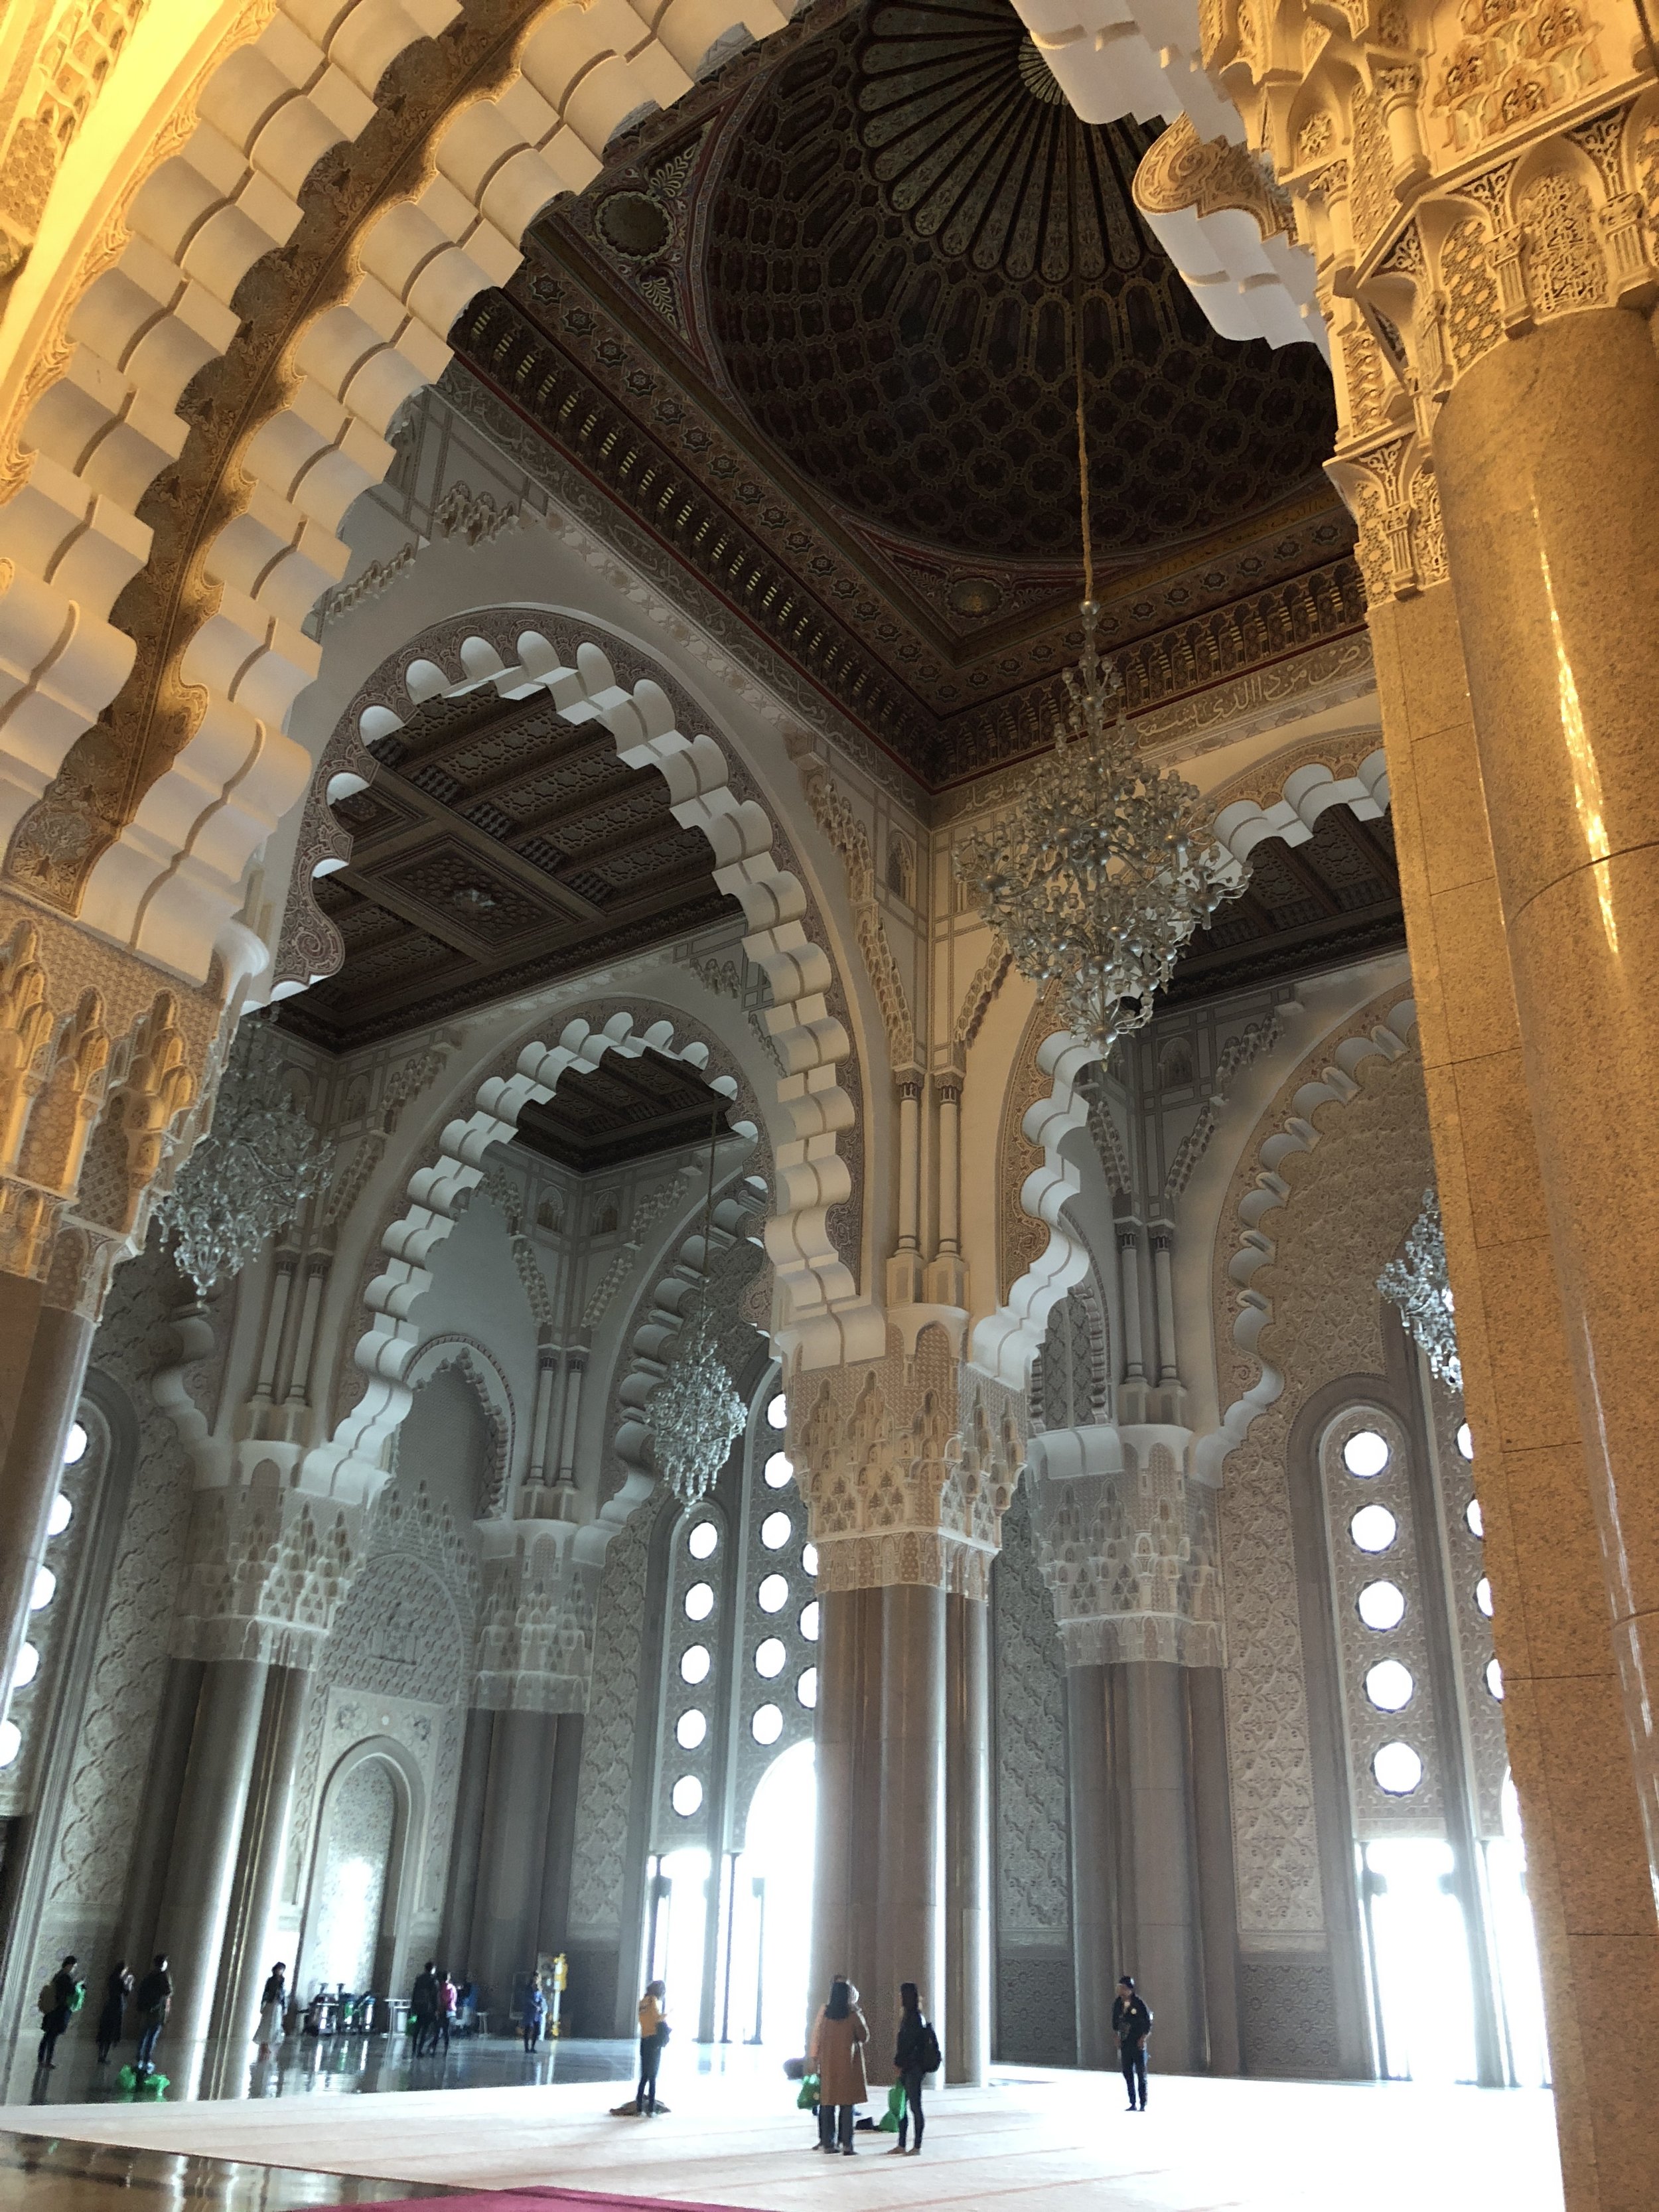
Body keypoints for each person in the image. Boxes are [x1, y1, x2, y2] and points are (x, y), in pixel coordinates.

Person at [814, 1976, 869, 2155]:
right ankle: (847, 2144)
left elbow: (819, 2039)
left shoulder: (826, 2016)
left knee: (828, 2105)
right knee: (847, 2106)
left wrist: (816, 2061)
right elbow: (864, 2036)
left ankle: (828, 2143)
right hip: (848, 2067)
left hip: (829, 2067)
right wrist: (858, 2012)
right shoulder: (852, 2015)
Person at [890, 1982, 939, 2156]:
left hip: (913, 2069)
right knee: (904, 2106)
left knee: (915, 2107)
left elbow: (908, 2046)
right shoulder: (910, 2017)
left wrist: (899, 2062)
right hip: (908, 2068)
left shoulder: (915, 2018)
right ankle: (901, 2144)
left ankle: (917, 2146)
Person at [1113, 1974, 1153, 2111]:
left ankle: (1143, 2102)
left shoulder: (1139, 2003)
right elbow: (1115, 2023)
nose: (1120, 1991)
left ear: (1129, 1989)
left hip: (1137, 2042)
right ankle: (1132, 2101)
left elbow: (1148, 2022)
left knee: (1141, 2073)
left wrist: (1143, 2038)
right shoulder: (1118, 2004)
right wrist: (1117, 2037)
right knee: (1127, 2072)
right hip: (1125, 2042)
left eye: (1123, 1988)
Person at [36, 1954, 84, 2069]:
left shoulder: (59, 1975)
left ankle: (43, 2059)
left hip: (54, 2010)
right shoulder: (65, 1977)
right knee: (51, 2036)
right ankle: (46, 2060)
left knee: (49, 2035)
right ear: (69, 1965)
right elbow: (70, 1991)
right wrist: (78, 1983)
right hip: (58, 2011)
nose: (74, 1969)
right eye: (74, 1967)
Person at [636, 1979, 668, 2116]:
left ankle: (639, 2106)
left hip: (644, 2039)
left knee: (644, 2075)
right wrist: (667, 2014)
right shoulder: (653, 2001)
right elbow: (657, 2018)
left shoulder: (642, 2002)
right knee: (653, 2075)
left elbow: (642, 2019)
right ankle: (651, 2108)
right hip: (654, 2041)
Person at [134, 1955, 171, 2075]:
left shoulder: (149, 1976)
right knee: (151, 2037)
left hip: (147, 2010)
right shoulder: (163, 1977)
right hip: (157, 2011)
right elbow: (167, 1992)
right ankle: (146, 2060)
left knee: (144, 2035)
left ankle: (139, 2059)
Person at [96, 1960, 133, 2065]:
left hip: (109, 2006)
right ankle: (104, 2056)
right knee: (111, 2033)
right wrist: (129, 1983)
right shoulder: (120, 1980)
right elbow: (126, 1993)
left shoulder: (112, 1978)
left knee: (104, 2031)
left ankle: (100, 2055)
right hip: (117, 2008)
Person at [410, 1960, 439, 2057]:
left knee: (417, 2029)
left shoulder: (419, 1979)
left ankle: (413, 2048)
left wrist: (413, 2005)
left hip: (419, 2007)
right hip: (428, 2009)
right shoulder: (433, 1980)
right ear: (433, 1969)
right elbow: (435, 1996)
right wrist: (436, 2009)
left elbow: (414, 1993)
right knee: (425, 2030)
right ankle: (419, 2050)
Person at [257, 1963, 287, 2053]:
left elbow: (283, 1995)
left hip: (278, 2005)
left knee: (276, 2025)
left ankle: (268, 2044)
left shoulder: (282, 1981)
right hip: (270, 2004)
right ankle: (264, 2043)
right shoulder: (271, 1980)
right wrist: (263, 2004)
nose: (280, 1971)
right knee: (267, 2024)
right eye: (279, 1969)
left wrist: (285, 2006)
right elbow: (266, 1993)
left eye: (282, 1970)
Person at [437, 1968, 457, 2053]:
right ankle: (446, 2049)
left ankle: (432, 2047)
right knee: (446, 2031)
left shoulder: (440, 1987)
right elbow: (454, 1999)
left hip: (441, 2010)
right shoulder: (452, 1987)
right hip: (450, 2010)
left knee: (438, 2030)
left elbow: (438, 1999)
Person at [522, 1978, 545, 2051]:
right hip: (530, 2012)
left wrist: (540, 2007)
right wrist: (535, 2006)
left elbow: (541, 1999)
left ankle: (533, 2047)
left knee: (536, 2029)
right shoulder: (528, 1990)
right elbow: (528, 1999)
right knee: (528, 2029)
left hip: (537, 2013)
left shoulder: (539, 1990)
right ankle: (526, 2047)